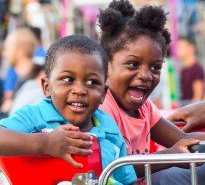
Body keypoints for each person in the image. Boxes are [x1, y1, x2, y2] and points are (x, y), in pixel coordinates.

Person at [98, 0, 205, 184]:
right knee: (167, 176)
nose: (146, 75)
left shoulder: (145, 108)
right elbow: (115, 168)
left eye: (155, 67)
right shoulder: (103, 108)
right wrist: (168, 156)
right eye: (133, 64)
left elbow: (184, 141)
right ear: (106, 66)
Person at [0, 35, 137, 185]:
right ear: (47, 87)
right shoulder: (35, 116)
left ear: (103, 93)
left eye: (92, 82)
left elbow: (127, 179)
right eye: (68, 79)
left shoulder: (109, 128)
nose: (79, 90)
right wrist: (45, 144)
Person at [1, 27, 37, 116]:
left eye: (8, 48)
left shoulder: (37, 81)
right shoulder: (22, 79)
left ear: (20, 51)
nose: (4, 54)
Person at [177, 37, 205, 106]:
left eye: (181, 47)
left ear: (191, 48)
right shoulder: (182, 69)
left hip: (191, 110)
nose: (178, 50)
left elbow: (198, 96)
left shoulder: (196, 69)